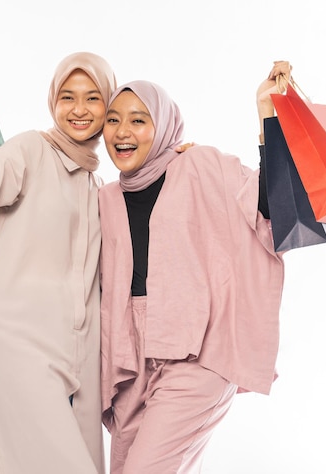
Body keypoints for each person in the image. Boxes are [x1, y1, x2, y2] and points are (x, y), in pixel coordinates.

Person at [98, 62, 291, 473]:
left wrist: (269, 116)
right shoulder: (104, 197)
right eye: (112, 120)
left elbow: (270, 208)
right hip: (130, 360)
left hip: (198, 353)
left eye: (138, 120)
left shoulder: (198, 166)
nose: (121, 132)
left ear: (165, 125)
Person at [0, 43, 116, 474]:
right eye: (67, 97)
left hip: (78, 351)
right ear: (53, 101)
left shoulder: (100, 187)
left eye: (93, 98)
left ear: (108, 106)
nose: (79, 109)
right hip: (18, 337)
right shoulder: (32, 150)